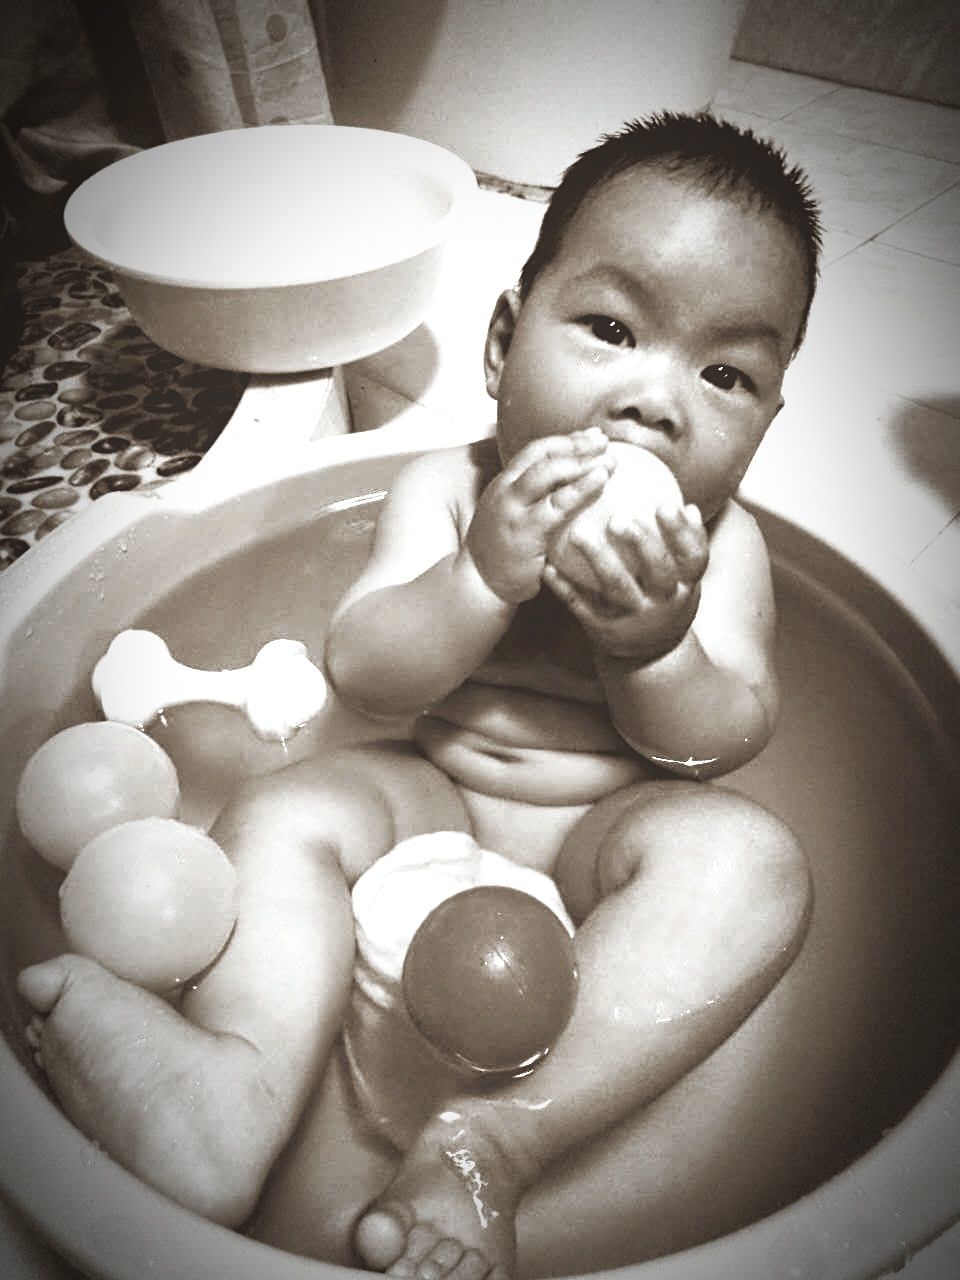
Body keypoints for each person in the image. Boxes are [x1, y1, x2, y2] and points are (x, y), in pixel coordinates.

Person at [18, 112, 820, 1280]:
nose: (658, 400)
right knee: (296, 811)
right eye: (609, 328)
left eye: (726, 373)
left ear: (765, 424)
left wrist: (652, 644)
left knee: (752, 861)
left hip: (600, 842)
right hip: (427, 796)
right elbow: (369, 667)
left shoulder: (720, 551)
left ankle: (495, 1136)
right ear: (503, 343)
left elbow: (724, 735)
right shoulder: (451, 488)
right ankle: (227, 1078)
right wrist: (480, 577)